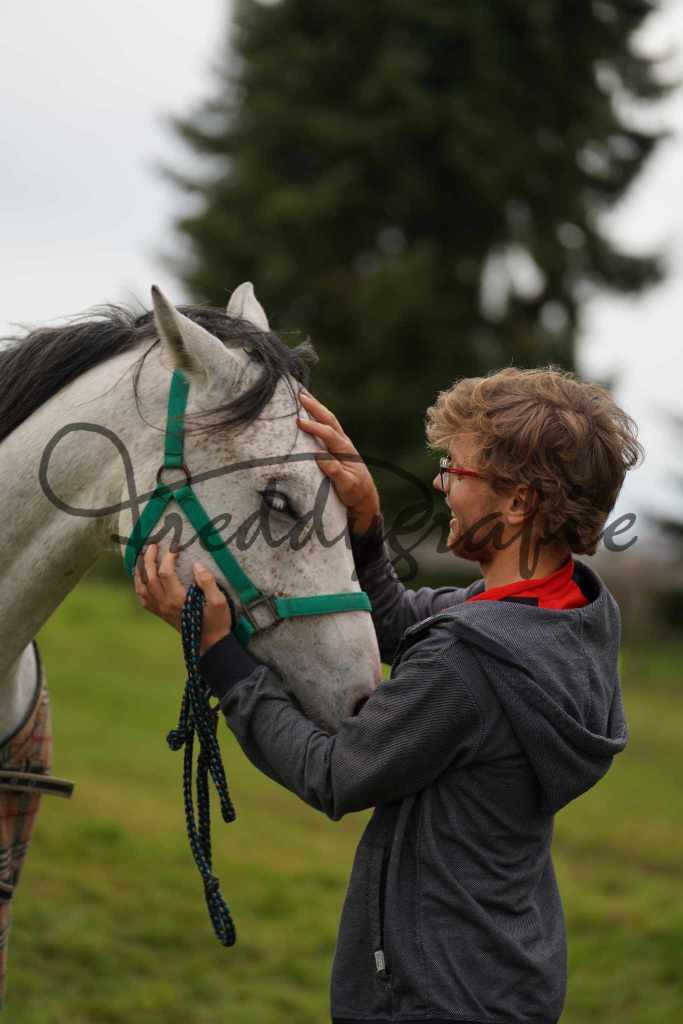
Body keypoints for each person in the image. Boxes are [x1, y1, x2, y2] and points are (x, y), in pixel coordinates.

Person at [135, 365, 643, 1024]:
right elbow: (402, 624)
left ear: (518, 503)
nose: (439, 483)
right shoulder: (564, 615)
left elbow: (332, 773)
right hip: (508, 971)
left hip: (431, 994)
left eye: (456, 470)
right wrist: (367, 521)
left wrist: (217, 654)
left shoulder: (470, 662)